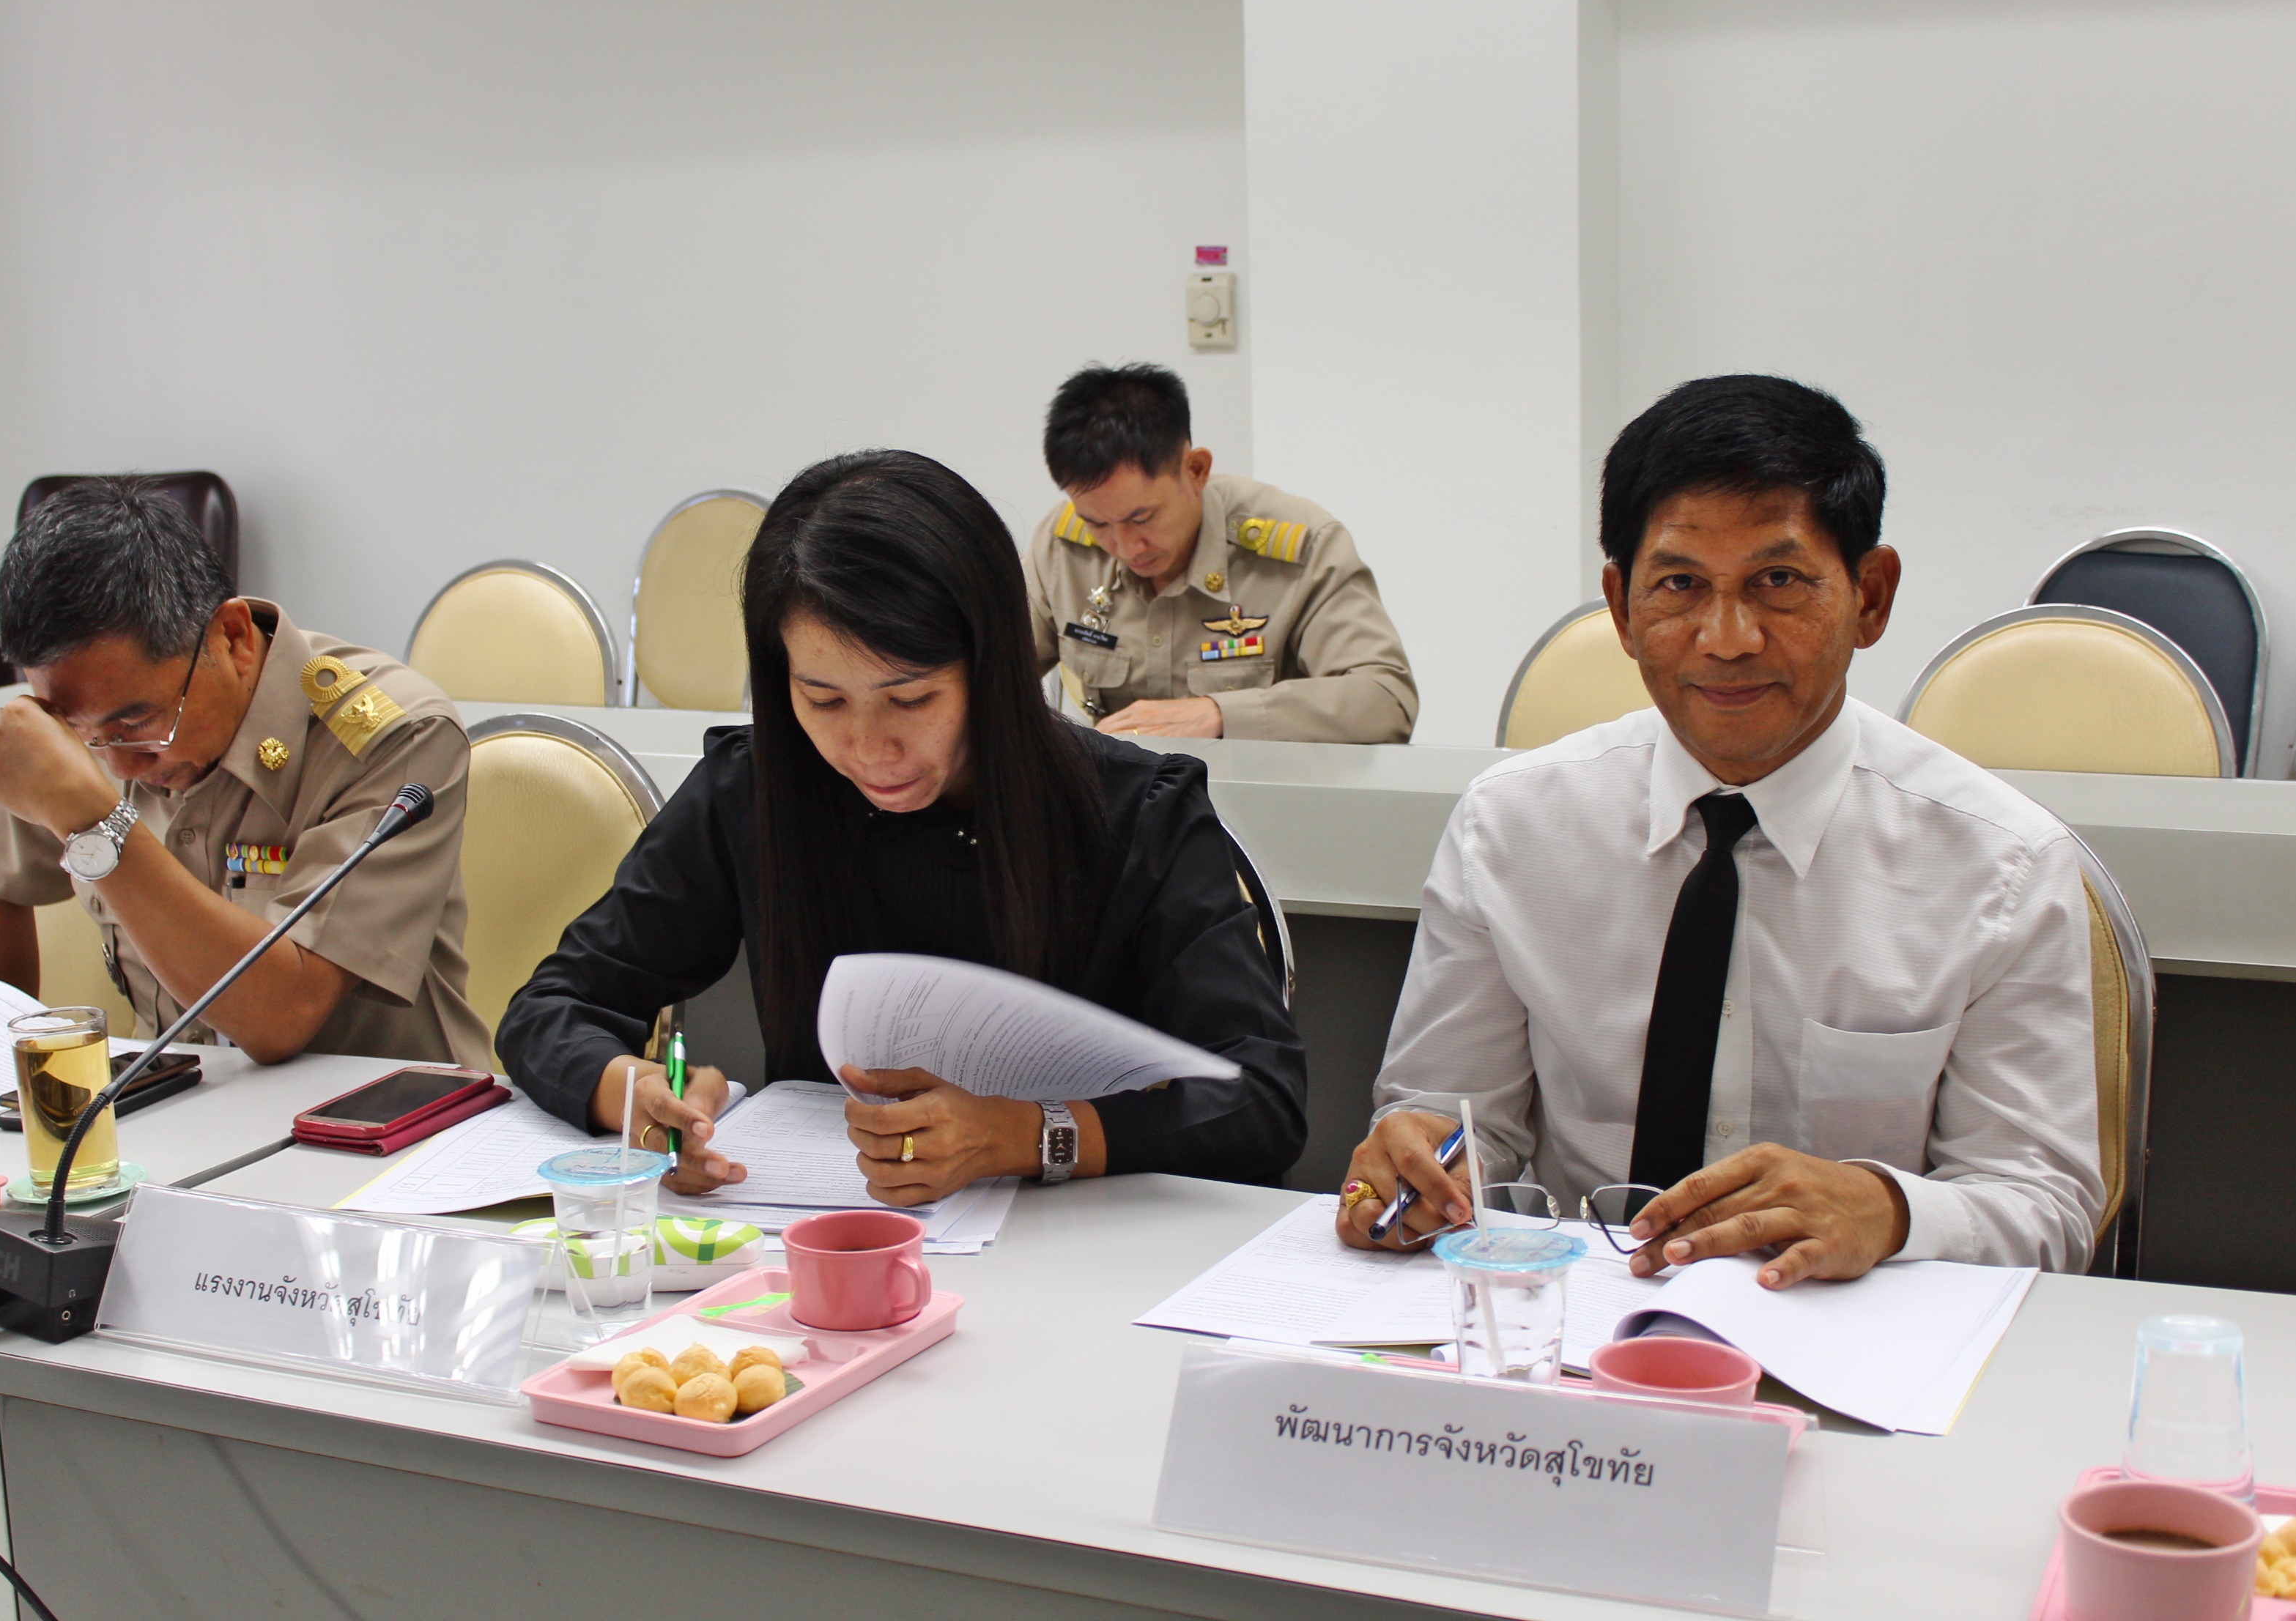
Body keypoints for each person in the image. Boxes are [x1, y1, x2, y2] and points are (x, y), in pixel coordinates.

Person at [1338, 376, 2103, 1282]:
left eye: (1779, 582)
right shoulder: (1509, 828)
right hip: (1576, 1319)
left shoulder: (2001, 864)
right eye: (1680, 586)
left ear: (1870, 596)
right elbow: (1460, 1119)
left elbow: (2044, 1207)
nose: (1728, 638)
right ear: (1622, 608)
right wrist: (1422, 1162)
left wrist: (1892, 1208)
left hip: (1848, 1326)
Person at [497, 449, 1306, 1201]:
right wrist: (631, 1096)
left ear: (990, 668)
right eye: (823, 700)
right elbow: (554, 1004)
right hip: (830, 1238)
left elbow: (1262, 1101)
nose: (868, 748)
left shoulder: (1137, 810)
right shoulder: (757, 791)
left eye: (911, 699)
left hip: (1091, 1242)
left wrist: (1029, 1135)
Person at [0, 478, 486, 1067]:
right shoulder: (100, 724)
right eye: (81, 731)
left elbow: (286, 1014)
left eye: (139, 722)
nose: (120, 764)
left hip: (380, 1107)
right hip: (173, 1097)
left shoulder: (395, 736)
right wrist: (12, 1069)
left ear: (233, 638)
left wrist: (99, 826)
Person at [1024, 363, 1416, 744]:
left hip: (1258, 786)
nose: (1125, 547)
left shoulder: (1302, 546)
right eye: (1097, 523)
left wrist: (1221, 714)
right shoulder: (1062, 547)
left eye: (1142, 518)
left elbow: (1385, 699)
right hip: (1119, 785)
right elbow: (995, 673)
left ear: (1196, 470)